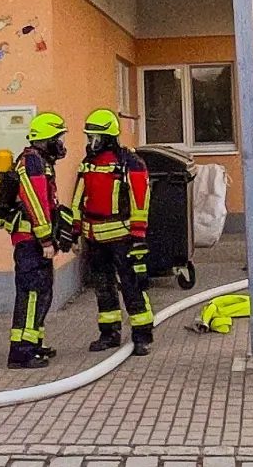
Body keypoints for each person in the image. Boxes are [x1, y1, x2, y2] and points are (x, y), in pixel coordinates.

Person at [73, 108, 154, 355]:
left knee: (131, 285)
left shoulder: (129, 162)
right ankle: (109, 333)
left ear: (107, 137)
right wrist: (76, 229)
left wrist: (138, 235)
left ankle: (142, 335)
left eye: (95, 137)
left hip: (122, 238)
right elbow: (79, 197)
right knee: (103, 287)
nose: (91, 142)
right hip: (95, 238)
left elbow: (140, 198)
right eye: (89, 137)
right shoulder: (88, 164)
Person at [3, 112, 68, 369]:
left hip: (34, 239)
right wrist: (46, 241)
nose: (61, 143)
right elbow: (36, 204)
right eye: (58, 138)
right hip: (31, 241)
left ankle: (33, 343)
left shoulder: (40, 161)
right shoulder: (32, 163)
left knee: (40, 293)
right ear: (46, 139)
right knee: (31, 294)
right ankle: (22, 352)